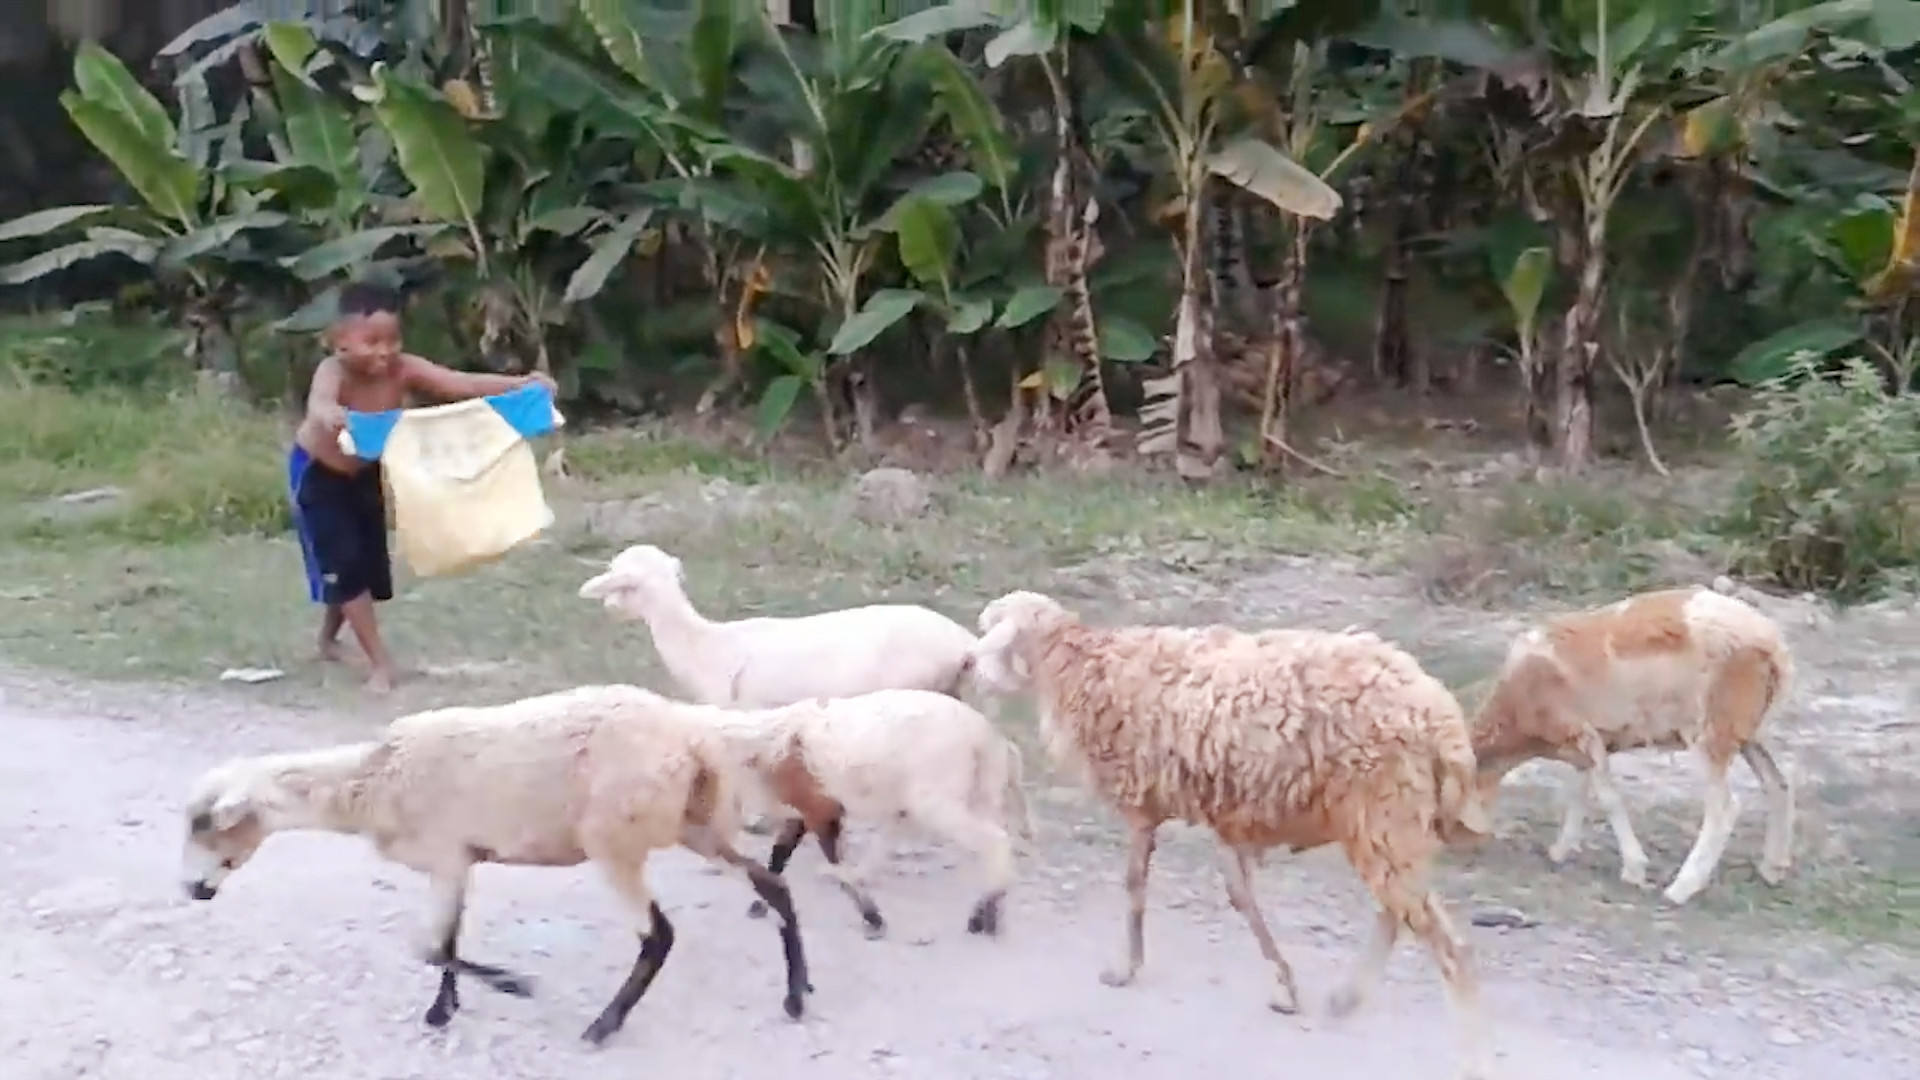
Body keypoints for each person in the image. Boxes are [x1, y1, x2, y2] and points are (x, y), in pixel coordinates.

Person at [289, 281, 556, 693]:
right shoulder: (333, 372)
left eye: (392, 339)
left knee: (360, 563)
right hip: (319, 475)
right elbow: (319, 404)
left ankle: (327, 640)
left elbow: (460, 384)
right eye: (371, 341)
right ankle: (381, 664)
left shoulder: (404, 368)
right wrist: (332, 414)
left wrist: (521, 384)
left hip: (367, 474)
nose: (384, 351)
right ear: (339, 342)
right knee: (342, 560)